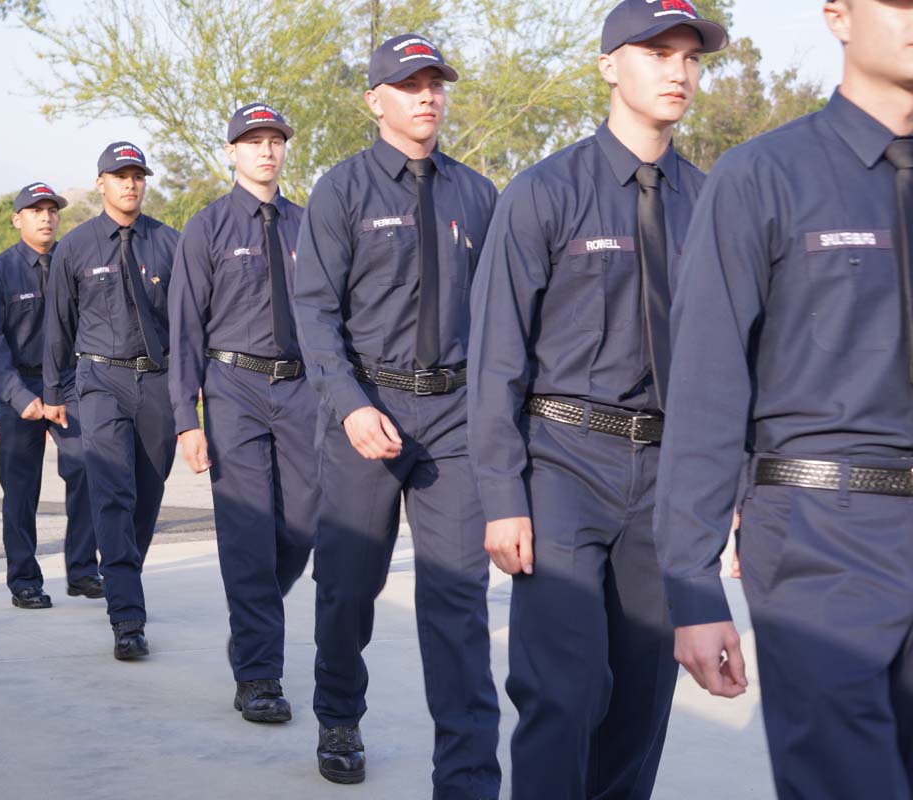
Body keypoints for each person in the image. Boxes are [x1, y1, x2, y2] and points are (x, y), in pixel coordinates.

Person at [467, 2, 727, 797]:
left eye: (690, 57)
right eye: (657, 53)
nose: (678, 71)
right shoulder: (544, 192)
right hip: (563, 465)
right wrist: (501, 496)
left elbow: (730, 363)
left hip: (667, 477)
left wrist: (731, 493)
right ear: (610, 66)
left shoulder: (712, 203)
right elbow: (496, 355)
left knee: (642, 703)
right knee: (564, 689)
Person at [655, 1, 913, 798]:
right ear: (838, 16)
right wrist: (692, 584)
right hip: (820, 537)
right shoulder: (764, 175)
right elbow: (707, 386)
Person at [293, 34, 501, 796]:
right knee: (348, 586)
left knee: (459, 598)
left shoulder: (477, 195)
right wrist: (349, 407)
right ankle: (338, 715)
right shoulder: (341, 192)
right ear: (374, 100)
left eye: (436, 83)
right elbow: (315, 314)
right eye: (411, 85)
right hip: (368, 410)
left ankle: (468, 773)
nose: (428, 97)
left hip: (453, 417)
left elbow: (502, 316)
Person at [169, 104, 316, 722]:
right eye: (253, 141)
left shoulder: (310, 225)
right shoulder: (207, 228)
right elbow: (184, 327)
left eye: (275, 140)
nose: (266, 150)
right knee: (248, 533)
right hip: (234, 388)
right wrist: (186, 417)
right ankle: (259, 674)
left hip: (302, 390)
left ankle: (254, 622)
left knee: (302, 528)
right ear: (231, 151)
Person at [44, 142, 178, 660]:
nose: (130, 184)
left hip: (158, 383)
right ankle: (126, 615)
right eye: (120, 176)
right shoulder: (76, 247)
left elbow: (189, 322)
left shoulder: (169, 243)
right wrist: (54, 393)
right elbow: (58, 325)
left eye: (137, 175)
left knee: (147, 495)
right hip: (99, 380)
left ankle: (127, 576)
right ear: (101, 183)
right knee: (112, 492)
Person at [0, 182, 101, 610]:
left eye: (52, 210)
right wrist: (17, 396)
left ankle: (82, 570)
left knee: (85, 468)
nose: (46, 217)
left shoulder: (75, 262)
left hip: (69, 382)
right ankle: (24, 580)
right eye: (35, 210)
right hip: (22, 387)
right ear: (17, 219)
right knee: (21, 489)